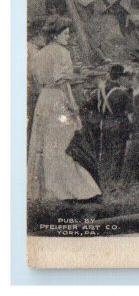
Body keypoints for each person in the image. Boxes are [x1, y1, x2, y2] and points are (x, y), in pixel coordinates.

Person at [28, 15, 102, 202]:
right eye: (66, 33)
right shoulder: (62, 52)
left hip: (44, 99)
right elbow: (63, 83)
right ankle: (73, 189)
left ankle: (46, 190)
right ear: (55, 35)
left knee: (45, 144)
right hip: (59, 100)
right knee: (65, 144)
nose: (68, 36)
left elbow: (36, 81)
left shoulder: (39, 53)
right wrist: (72, 105)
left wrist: (45, 93)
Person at [97, 64, 133, 182]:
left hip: (105, 123)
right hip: (119, 125)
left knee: (106, 152)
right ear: (120, 77)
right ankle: (114, 179)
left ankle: (103, 178)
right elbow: (129, 112)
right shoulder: (123, 93)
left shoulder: (101, 90)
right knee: (118, 153)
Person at [27, 18, 46, 148]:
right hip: (35, 92)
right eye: (43, 35)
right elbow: (35, 75)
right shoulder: (34, 52)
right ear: (36, 35)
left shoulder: (30, 47)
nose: (46, 38)